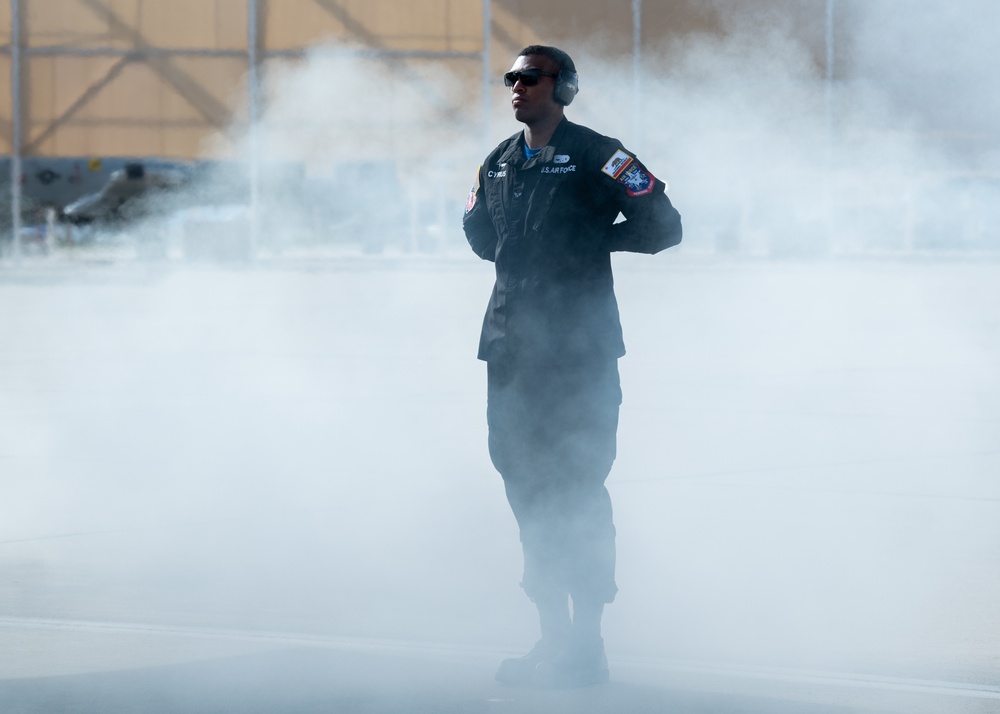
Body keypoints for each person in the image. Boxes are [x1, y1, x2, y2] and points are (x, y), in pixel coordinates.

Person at [462, 45, 682, 688]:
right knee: (525, 492)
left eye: (530, 78)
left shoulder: (599, 154)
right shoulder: (499, 162)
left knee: (578, 489)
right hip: (509, 352)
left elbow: (663, 224)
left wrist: (591, 239)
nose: (517, 87)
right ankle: (551, 641)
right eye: (511, 79)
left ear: (566, 87)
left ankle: (587, 643)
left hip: (578, 353)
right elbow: (479, 235)